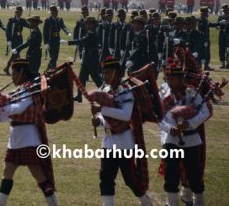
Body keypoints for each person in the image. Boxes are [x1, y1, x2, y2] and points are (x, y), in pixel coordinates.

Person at [0, 58, 58, 206]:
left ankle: (54, 204)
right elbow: (8, 101)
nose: (12, 77)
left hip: (28, 138)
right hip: (15, 138)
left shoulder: (29, 89)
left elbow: (18, 108)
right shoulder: (21, 89)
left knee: (39, 175)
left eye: (14, 73)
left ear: (22, 73)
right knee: (7, 173)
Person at [89, 57, 153, 206]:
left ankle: (146, 202)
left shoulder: (126, 92)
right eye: (104, 72)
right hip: (108, 142)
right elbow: (106, 117)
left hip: (124, 142)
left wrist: (101, 109)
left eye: (108, 72)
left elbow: (125, 115)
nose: (104, 75)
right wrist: (98, 120)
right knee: (105, 177)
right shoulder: (105, 90)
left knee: (130, 179)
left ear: (117, 73)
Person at [158, 61, 211, 206]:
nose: (169, 81)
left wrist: (189, 123)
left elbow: (205, 112)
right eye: (167, 78)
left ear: (181, 79)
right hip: (170, 139)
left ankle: (198, 202)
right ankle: (172, 202)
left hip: (191, 139)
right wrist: (170, 128)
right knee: (170, 172)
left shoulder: (191, 92)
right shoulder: (163, 92)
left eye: (172, 79)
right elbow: (158, 117)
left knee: (194, 174)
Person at [62, 16, 103, 102]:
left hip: (92, 59)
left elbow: (82, 40)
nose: (86, 25)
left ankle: (106, 93)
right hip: (87, 58)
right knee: (82, 78)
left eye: (87, 23)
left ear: (92, 24)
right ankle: (79, 95)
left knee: (96, 78)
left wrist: (68, 42)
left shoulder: (92, 33)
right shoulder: (91, 31)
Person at [43, 6, 69, 70]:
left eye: (56, 12)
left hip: (57, 40)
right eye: (54, 12)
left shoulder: (59, 20)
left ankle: (48, 70)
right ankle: (52, 70)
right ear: (51, 13)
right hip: (50, 41)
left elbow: (63, 27)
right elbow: (45, 32)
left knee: (55, 57)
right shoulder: (48, 20)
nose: (55, 13)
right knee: (53, 57)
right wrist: (46, 43)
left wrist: (68, 32)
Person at [4, 6, 28, 75]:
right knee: (16, 55)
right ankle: (18, 70)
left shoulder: (22, 20)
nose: (18, 13)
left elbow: (28, 25)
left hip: (19, 40)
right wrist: (8, 40)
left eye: (20, 12)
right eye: (17, 12)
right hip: (13, 40)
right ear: (15, 12)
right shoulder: (11, 20)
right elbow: (8, 31)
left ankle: (7, 68)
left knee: (15, 55)